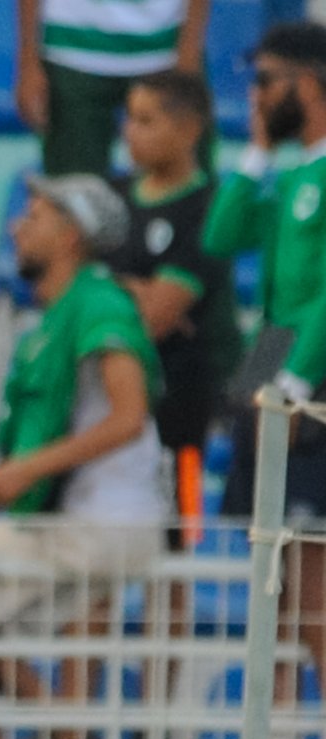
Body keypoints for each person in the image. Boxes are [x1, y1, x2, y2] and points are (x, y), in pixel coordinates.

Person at [0, 173, 164, 739]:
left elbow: (128, 417)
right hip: (84, 518)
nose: (18, 226)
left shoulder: (98, 303)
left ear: (72, 234)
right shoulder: (62, 314)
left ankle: (40, 738)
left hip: (108, 521)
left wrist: (26, 470)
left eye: (36, 214)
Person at [203, 20, 326, 739]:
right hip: (273, 364)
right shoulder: (288, 173)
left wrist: (299, 381)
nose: (255, 97)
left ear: (308, 82)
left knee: (314, 579)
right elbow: (222, 237)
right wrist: (253, 150)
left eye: (267, 83)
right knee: (270, 574)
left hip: (308, 387)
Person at [111, 68, 238, 526]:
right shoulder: (116, 195)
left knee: (180, 522)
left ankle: (177, 600)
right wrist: (136, 292)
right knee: (108, 517)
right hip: (114, 387)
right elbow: (73, 291)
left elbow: (158, 316)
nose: (131, 132)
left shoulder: (209, 206)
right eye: (128, 118)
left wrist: (115, 291)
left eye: (146, 121)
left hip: (186, 391)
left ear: (189, 130)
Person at [16, 0, 210, 178]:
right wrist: (28, 61)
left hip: (165, 47)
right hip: (69, 47)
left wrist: (189, 50)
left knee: (184, 193)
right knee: (72, 195)